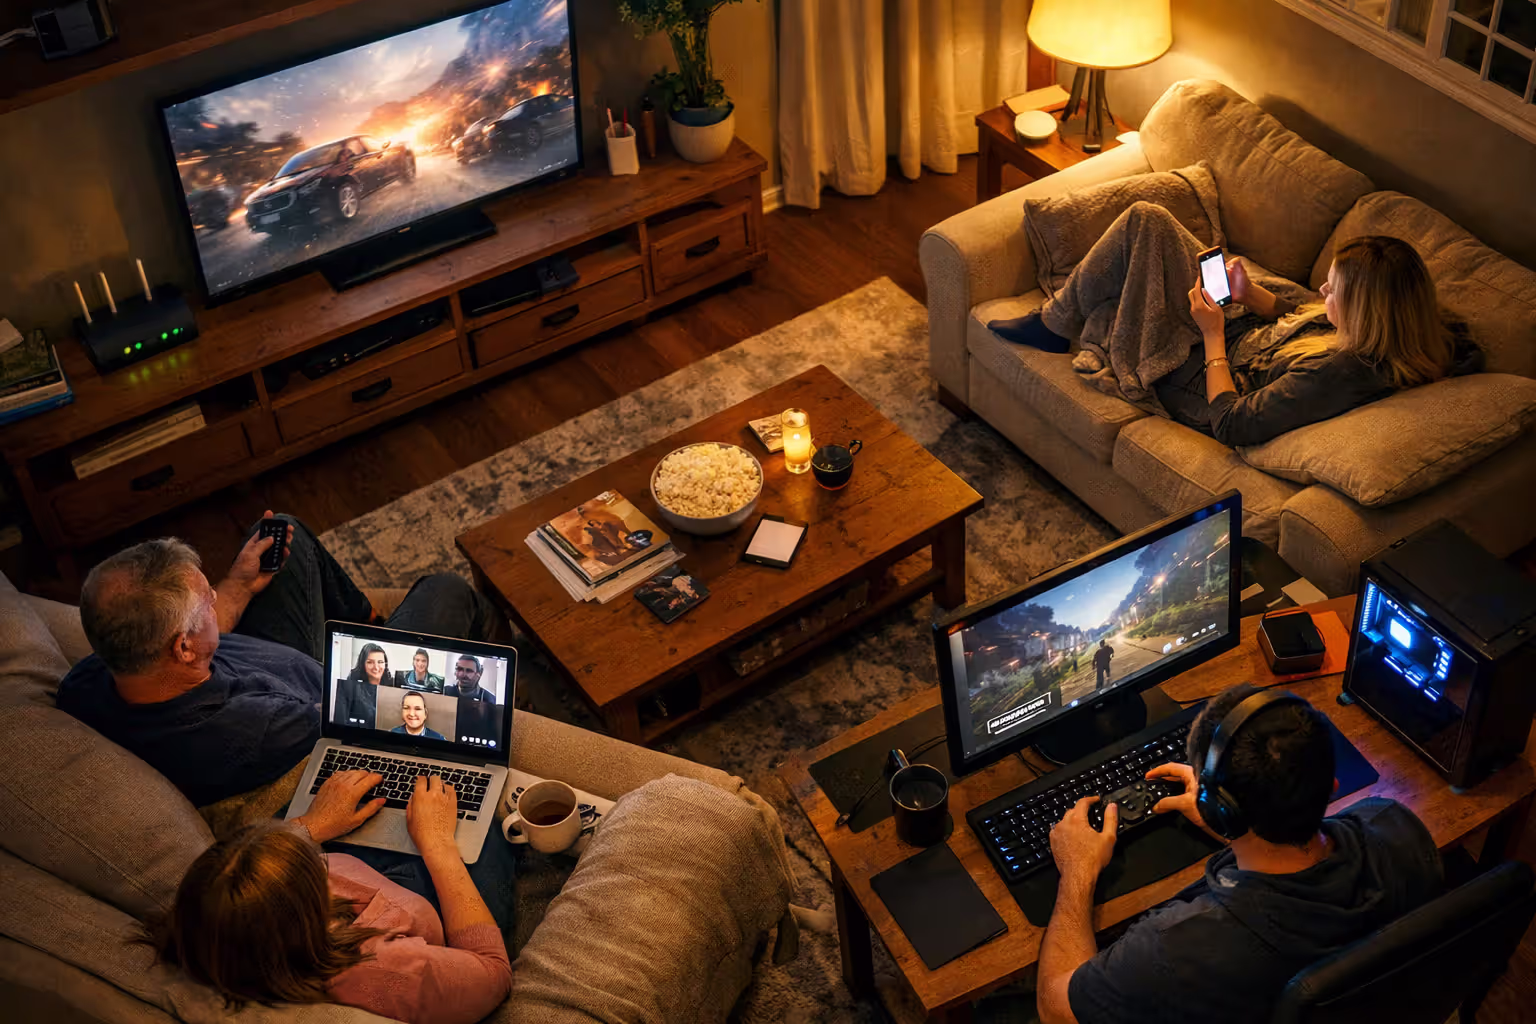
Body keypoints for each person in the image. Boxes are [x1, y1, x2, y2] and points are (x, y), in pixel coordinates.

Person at [1035, 684, 1442, 1024]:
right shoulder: (1394, 825)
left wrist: (1076, 872)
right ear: (1332, 786)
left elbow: (1055, 1008)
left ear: (1217, 807)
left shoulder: (1174, 946)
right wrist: (1239, 824)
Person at [56, 510, 510, 807]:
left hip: (274, 662)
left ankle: (368, 622)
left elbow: (181, 651)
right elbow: (367, 724)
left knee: (281, 535)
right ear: (183, 647)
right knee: (447, 593)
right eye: (207, 602)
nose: (216, 596)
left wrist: (236, 586)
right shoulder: (254, 728)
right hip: (325, 687)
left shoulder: (91, 679)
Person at [989, 203, 1481, 448]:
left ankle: (1057, 323)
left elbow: (1233, 423)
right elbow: (1303, 316)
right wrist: (1251, 296)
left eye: (1335, 292)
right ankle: (1061, 320)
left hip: (1204, 380)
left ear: (1368, 316)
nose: (1323, 294)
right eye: (1329, 283)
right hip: (1240, 331)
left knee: (1123, 296)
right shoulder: (1410, 328)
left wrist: (1212, 336)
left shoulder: (1342, 373)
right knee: (1149, 219)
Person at [149, 770, 511, 1024]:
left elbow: (249, 874)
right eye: (315, 870)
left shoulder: (216, 926)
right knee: (484, 832)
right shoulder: (388, 969)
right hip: (424, 926)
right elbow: (493, 973)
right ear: (309, 913)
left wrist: (314, 824)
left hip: (374, 902)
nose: (321, 864)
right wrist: (439, 846)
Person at [446, 655, 500, 747]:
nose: (463, 674)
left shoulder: (489, 699)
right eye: (459, 669)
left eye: (469, 671)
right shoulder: (446, 692)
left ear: (479, 673)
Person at [335, 643, 389, 729]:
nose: (376, 667)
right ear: (362, 664)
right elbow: (340, 721)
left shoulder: (392, 684)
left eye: (380, 662)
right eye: (370, 662)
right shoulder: (351, 685)